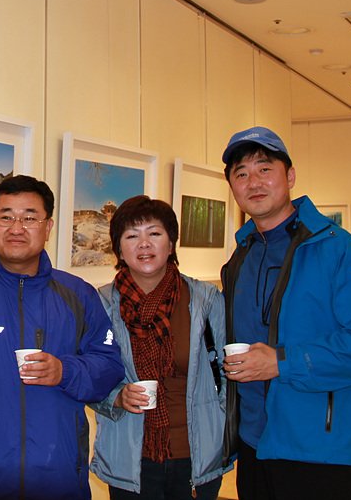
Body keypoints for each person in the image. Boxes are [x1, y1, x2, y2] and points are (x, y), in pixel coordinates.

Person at [219, 126, 351, 500]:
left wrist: (282, 362)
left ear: (291, 176)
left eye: (265, 169)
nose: (254, 182)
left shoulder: (339, 250)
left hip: (322, 447)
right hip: (254, 442)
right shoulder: (242, 255)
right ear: (232, 187)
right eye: (241, 174)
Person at [0, 175, 125, 500]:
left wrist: (65, 371)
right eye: (6, 217)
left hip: (60, 476)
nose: (17, 228)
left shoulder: (78, 295)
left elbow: (109, 367)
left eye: (30, 218)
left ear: (48, 228)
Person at [90, 196, 230, 500]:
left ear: (171, 243)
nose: (144, 244)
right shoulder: (101, 304)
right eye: (131, 236)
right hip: (130, 457)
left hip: (196, 455)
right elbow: (89, 374)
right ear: (119, 249)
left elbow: (228, 370)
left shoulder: (205, 299)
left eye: (154, 233)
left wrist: (217, 420)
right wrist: (116, 397)